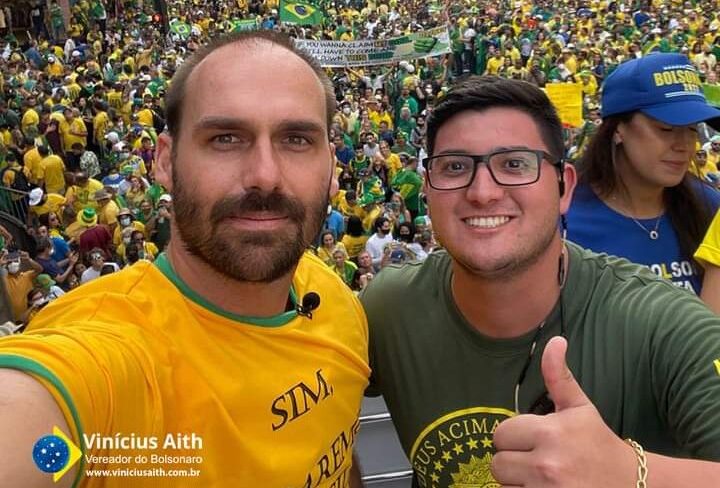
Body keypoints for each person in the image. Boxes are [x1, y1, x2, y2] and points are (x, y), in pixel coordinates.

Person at [0, 32, 369, 487]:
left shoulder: (338, 300)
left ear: (332, 167)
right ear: (165, 161)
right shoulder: (116, 354)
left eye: (296, 139)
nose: (265, 177)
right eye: (226, 138)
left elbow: (337, 448)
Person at [361, 76, 720, 487]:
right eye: (455, 167)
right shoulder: (388, 309)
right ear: (427, 190)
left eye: (514, 164)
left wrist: (630, 473)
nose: (482, 192)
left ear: (564, 186)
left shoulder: (665, 326)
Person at [568, 53, 720, 311]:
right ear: (618, 129)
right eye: (666, 129)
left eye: (693, 129)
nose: (684, 145)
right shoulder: (565, 220)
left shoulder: (710, 207)